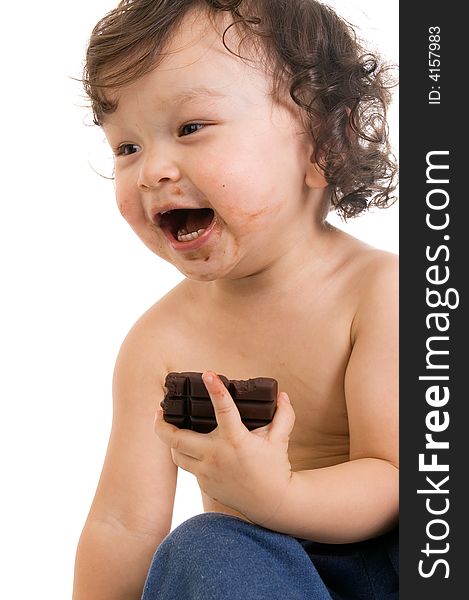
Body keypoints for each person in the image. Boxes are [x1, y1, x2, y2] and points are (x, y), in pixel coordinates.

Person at [73, 0, 399, 598]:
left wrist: (280, 498)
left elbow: (398, 479)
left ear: (323, 143)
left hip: (387, 573)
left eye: (190, 128)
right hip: (258, 582)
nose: (151, 172)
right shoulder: (160, 343)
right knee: (204, 545)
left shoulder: (379, 294)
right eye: (127, 148)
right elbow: (122, 524)